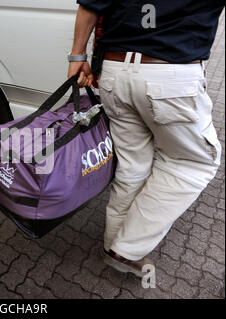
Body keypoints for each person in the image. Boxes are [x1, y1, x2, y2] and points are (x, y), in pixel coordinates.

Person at [68, 1, 224, 277]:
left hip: (115, 74)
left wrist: (77, 57)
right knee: (193, 163)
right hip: (171, 77)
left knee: (133, 166)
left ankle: (112, 244)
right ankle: (125, 248)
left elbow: (90, 5)